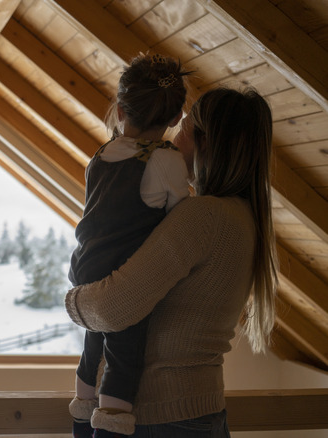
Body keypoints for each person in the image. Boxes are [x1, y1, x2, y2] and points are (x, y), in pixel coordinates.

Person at [65, 86, 278, 438]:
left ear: (207, 144)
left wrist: (73, 299)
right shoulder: (244, 218)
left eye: (184, 130)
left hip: (163, 420)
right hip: (201, 414)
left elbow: (113, 308)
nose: (173, 141)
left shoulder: (202, 217)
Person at [67, 54, 192, 437]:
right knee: (124, 357)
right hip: (124, 276)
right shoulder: (166, 160)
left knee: (93, 345)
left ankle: (80, 418)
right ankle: (110, 427)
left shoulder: (100, 156)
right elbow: (182, 218)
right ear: (175, 118)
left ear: (120, 110)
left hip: (86, 269)